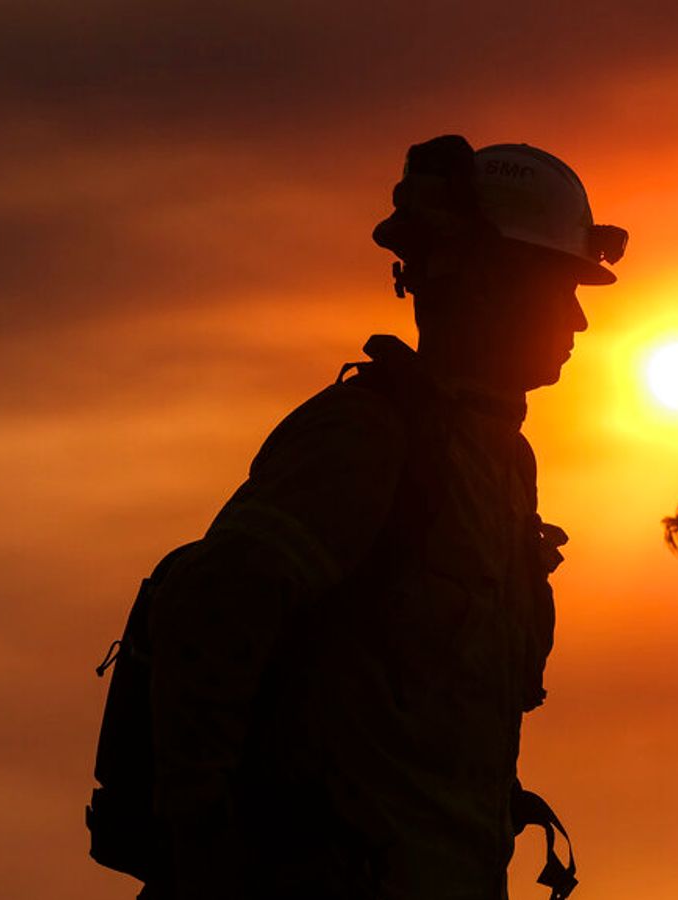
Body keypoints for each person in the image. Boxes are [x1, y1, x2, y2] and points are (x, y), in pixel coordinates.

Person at [142, 135, 625, 899]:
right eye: (556, 286)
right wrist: (207, 856)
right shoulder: (365, 437)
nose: (578, 319)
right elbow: (212, 606)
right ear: (484, 282)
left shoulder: (501, 469)